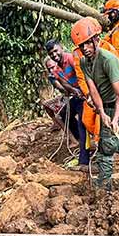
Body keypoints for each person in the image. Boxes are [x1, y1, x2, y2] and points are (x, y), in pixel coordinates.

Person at [72, 18, 119, 191]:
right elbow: (93, 89)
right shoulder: (84, 61)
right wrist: (101, 112)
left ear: (96, 39)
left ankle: (105, 186)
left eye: (88, 43)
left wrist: (115, 119)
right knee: (105, 145)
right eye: (81, 46)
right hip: (105, 107)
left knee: (106, 147)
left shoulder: (108, 59)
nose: (85, 48)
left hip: (118, 107)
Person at [44, 40, 90, 169]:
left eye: (55, 51)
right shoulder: (56, 69)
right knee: (64, 115)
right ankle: (82, 141)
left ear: (61, 48)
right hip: (77, 95)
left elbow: (84, 75)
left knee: (82, 124)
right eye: (51, 53)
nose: (54, 55)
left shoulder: (71, 59)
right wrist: (74, 91)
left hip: (87, 93)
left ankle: (84, 161)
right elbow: (64, 84)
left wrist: (85, 92)